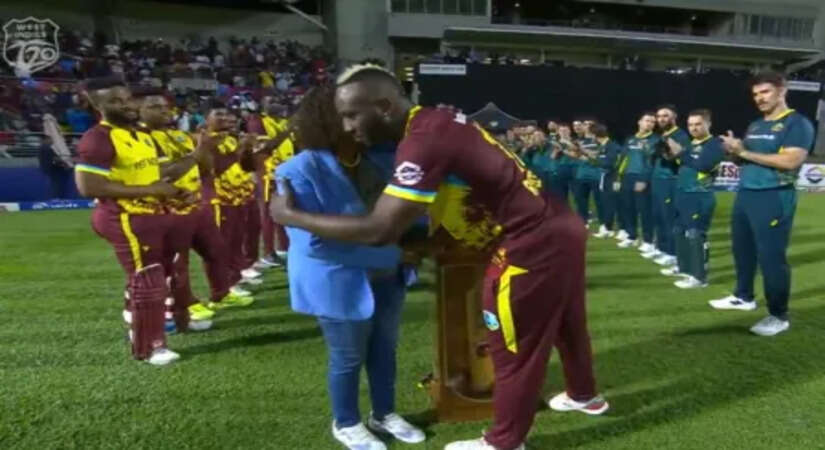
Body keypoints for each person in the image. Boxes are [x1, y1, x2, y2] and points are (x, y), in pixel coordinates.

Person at [271, 64, 608, 450]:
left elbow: (380, 228)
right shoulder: (437, 119)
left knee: (509, 344)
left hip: (529, 242)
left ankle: (504, 442)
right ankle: (584, 394)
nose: (347, 127)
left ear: (383, 107)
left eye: (352, 115)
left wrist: (289, 215)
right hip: (559, 225)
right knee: (567, 321)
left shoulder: (423, 141)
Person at [275, 85, 425, 450]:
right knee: (348, 356)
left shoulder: (382, 159)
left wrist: (415, 242)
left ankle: (384, 413)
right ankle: (346, 422)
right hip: (339, 279)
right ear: (328, 120)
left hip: (389, 276)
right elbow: (316, 243)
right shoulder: (298, 169)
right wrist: (393, 255)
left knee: (384, 349)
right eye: (352, 114)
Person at [74, 77, 188, 365]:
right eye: (115, 101)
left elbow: (160, 174)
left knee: (158, 274)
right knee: (148, 278)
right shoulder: (98, 138)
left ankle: (135, 317)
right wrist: (152, 190)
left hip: (153, 213)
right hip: (124, 216)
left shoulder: (143, 134)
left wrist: (174, 191)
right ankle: (150, 346)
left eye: (127, 99)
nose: (126, 105)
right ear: (97, 105)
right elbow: (89, 186)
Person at [708, 71, 814, 336]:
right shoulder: (756, 125)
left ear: (782, 91)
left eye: (765, 92)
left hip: (773, 195)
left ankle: (778, 315)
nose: (759, 98)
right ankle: (743, 296)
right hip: (746, 193)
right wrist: (734, 152)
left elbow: (791, 161)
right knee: (742, 250)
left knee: (771, 257)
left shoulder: (797, 123)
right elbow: (746, 159)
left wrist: (743, 151)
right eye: (755, 94)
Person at [134, 88, 253, 317]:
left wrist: (205, 149)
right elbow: (164, 173)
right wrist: (198, 153)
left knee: (216, 249)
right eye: (155, 107)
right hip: (170, 207)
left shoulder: (179, 135)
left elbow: (205, 169)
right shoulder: (142, 138)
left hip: (196, 203)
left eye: (166, 106)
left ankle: (221, 294)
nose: (164, 111)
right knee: (178, 260)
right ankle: (185, 304)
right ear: (138, 110)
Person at [661, 109, 724, 289]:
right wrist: (669, 156)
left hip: (699, 195)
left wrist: (680, 153)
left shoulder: (714, 144)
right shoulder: (690, 144)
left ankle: (699, 277)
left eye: (698, 124)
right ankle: (684, 268)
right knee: (679, 231)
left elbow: (703, 165)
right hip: (683, 193)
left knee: (695, 234)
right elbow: (682, 165)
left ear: (708, 124)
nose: (693, 128)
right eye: (690, 125)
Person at [204, 102, 263, 290]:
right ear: (207, 119)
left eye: (227, 114)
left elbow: (246, 166)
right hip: (221, 199)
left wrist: (248, 149)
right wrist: (239, 150)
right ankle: (226, 283)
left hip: (240, 196)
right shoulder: (204, 141)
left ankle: (237, 275)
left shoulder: (230, 138)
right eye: (218, 114)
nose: (225, 118)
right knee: (224, 242)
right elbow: (217, 168)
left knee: (238, 239)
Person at [249, 96, 294, 269]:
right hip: (267, 174)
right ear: (263, 105)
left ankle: (284, 248)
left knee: (285, 210)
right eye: (272, 102)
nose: (277, 104)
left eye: (280, 102)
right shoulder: (257, 121)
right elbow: (264, 148)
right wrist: (287, 132)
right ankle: (268, 252)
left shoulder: (283, 122)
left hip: (285, 173)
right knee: (268, 213)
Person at [646, 105, 691, 267]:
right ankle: (662, 248)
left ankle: (673, 253)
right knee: (658, 216)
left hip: (670, 180)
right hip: (658, 179)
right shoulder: (662, 135)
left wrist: (669, 149)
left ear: (674, 117)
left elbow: (682, 157)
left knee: (669, 217)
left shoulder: (680, 135)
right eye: (659, 116)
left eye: (665, 116)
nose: (661, 119)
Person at [616, 112, 658, 250]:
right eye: (647, 120)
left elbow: (652, 162)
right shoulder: (630, 140)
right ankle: (632, 236)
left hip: (643, 178)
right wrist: (618, 178)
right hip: (628, 177)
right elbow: (623, 159)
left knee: (644, 210)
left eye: (652, 122)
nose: (650, 123)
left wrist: (644, 179)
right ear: (639, 122)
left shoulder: (655, 140)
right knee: (628, 208)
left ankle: (648, 240)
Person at [591, 123, 622, 238]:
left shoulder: (612, 146)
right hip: (606, 177)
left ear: (595, 135)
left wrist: (596, 160)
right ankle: (607, 227)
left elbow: (611, 163)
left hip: (612, 177)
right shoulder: (604, 146)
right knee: (606, 202)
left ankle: (609, 228)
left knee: (610, 203)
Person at [571, 122, 603, 227]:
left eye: (587, 124)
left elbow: (596, 156)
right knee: (581, 200)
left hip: (596, 175)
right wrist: (571, 149)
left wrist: (582, 150)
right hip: (582, 174)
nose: (584, 126)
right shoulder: (580, 141)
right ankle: (583, 221)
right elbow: (576, 156)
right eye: (584, 124)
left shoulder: (598, 141)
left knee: (599, 201)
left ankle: (603, 224)